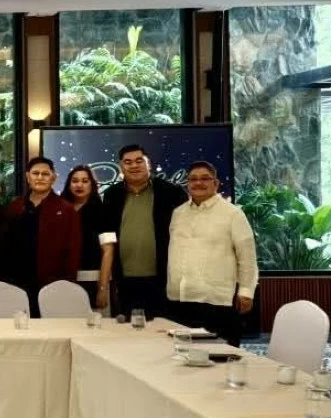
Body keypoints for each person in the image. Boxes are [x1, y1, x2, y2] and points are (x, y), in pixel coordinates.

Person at [167, 162, 258, 346]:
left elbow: (247, 256)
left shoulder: (232, 214)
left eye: (205, 178)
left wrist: (246, 292)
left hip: (217, 301)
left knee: (222, 356)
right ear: (187, 184)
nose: (198, 183)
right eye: (193, 179)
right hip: (181, 299)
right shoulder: (178, 213)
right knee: (182, 355)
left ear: (215, 184)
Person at [102, 145, 188, 319]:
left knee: (162, 329)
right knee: (128, 329)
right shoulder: (112, 195)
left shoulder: (171, 193)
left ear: (148, 164)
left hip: (163, 278)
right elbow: (108, 235)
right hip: (125, 280)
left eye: (139, 161)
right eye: (128, 162)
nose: (134, 166)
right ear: (121, 167)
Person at [7, 157, 81, 316]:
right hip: (18, 283)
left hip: (52, 284)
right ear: (28, 177)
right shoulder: (15, 207)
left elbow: (73, 250)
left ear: (53, 178)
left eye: (45, 174)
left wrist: (68, 283)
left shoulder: (66, 209)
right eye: (35, 173)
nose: (40, 177)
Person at [61, 165, 117, 310]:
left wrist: (102, 288)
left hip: (94, 279)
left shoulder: (103, 211)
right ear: (68, 184)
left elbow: (108, 251)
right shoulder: (61, 210)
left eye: (85, 181)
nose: (79, 185)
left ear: (92, 185)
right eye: (75, 181)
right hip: (64, 279)